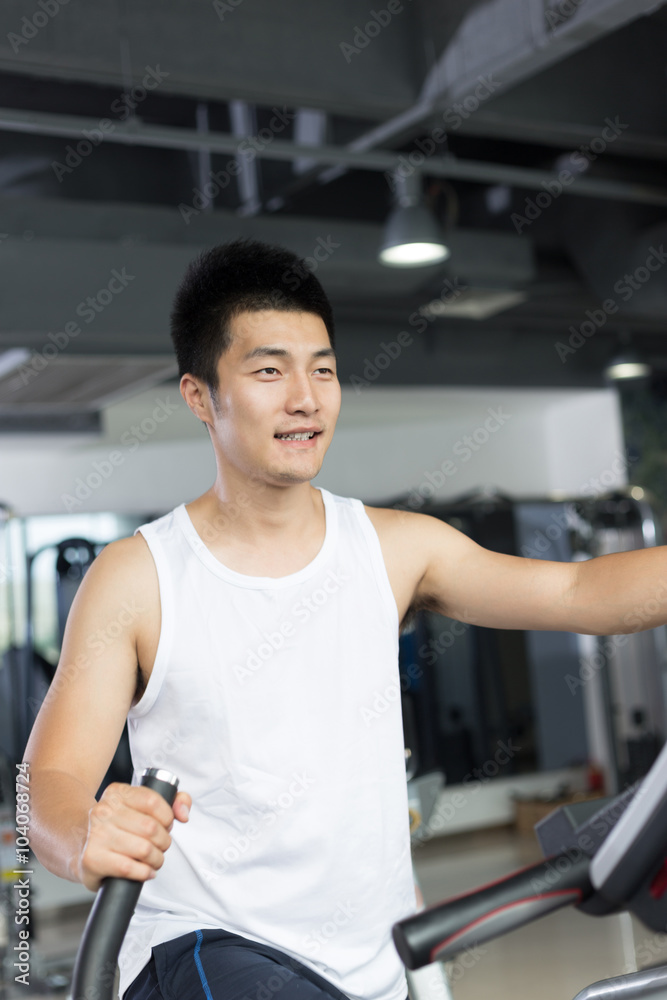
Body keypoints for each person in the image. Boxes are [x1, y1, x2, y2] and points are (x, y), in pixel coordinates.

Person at [24, 239, 667, 1000]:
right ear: (200, 396)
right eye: (268, 370)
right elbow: (51, 778)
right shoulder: (137, 578)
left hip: (373, 963)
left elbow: (579, 595)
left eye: (322, 369)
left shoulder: (394, 549)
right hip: (199, 944)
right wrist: (84, 832)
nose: (305, 397)